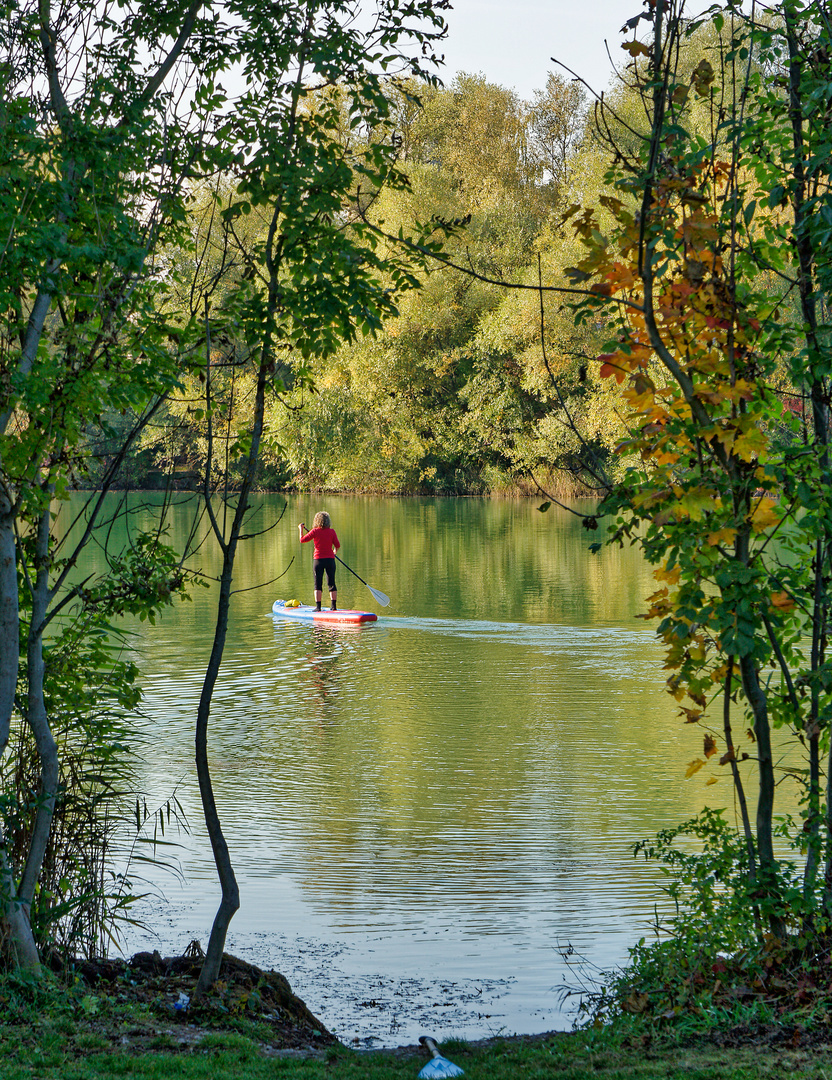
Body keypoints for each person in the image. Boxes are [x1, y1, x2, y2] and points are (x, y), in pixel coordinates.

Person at [298, 511, 340, 611]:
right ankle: (333, 607)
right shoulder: (332, 532)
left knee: (318, 584)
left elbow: (302, 540)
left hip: (318, 561)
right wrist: (334, 552)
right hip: (330, 560)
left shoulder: (315, 531)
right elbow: (337, 545)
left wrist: (301, 529)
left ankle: (318, 607)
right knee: (332, 583)